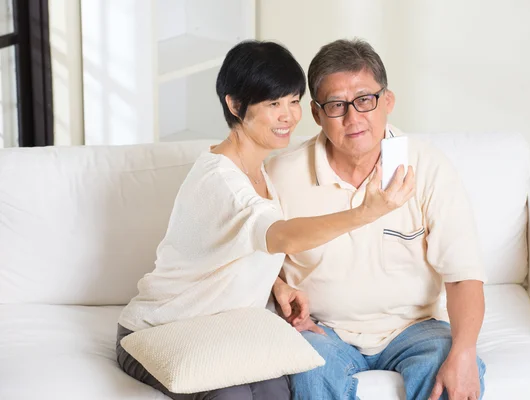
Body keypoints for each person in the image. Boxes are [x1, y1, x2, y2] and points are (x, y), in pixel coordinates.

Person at [116, 40, 415, 400]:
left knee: (280, 387)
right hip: (157, 332)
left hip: (223, 332)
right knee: (232, 396)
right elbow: (282, 237)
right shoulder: (222, 181)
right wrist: (365, 213)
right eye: (273, 103)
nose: (287, 115)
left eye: (292, 101)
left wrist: (278, 287)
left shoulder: (259, 172)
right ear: (235, 104)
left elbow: (239, 248)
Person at [266, 39, 487, 400]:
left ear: (387, 102)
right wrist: (279, 290)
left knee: (456, 366)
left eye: (365, 100)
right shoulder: (281, 174)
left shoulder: (428, 166)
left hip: (416, 328)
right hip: (323, 330)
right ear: (317, 114)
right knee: (305, 366)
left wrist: (464, 350)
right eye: (337, 105)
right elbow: (255, 259)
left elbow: (464, 275)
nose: (353, 118)